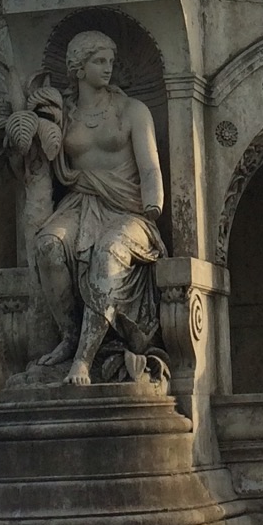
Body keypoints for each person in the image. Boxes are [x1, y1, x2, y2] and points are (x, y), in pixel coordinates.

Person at [28, 30, 166, 385]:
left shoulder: (132, 110)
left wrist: (154, 203)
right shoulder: (64, 115)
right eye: (99, 61)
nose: (108, 68)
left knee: (109, 251)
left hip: (128, 208)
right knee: (48, 246)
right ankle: (70, 336)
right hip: (79, 202)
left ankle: (84, 360)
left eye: (110, 61)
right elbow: (44, 160)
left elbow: (149, 165)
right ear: (78, 67)